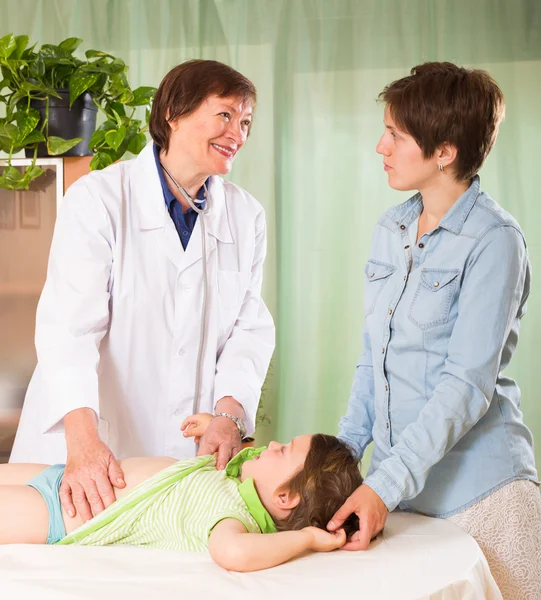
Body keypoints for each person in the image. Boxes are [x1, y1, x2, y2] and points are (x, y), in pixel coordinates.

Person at [10, 60, 275, 525]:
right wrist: (84, 443)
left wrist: (229, 415)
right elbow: (69, 332)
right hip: (86, 447)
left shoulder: (245, 216)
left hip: (175, 457)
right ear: (173, 110)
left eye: (246, 121)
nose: (238, 132)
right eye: (225, 115)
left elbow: (249, 327)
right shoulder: (99, 200)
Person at [329, 62, 541, 598]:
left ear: (444, 151)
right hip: (404, 500)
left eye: (396, 135)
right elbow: (370, 360)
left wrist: (383, 484)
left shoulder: (496, 241)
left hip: (483, 494)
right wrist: (338, 462)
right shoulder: (390, 229)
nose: (381, 145)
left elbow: (466, 386)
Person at [0, 422, 362, 573]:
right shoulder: (243, 475)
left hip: (66, 512)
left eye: (284, 452)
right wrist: (215, 423)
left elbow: (233, 553)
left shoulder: (233, 515)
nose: (275, 445)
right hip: (69, 474)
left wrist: (307, 537)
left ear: (285, 497)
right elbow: (242, 448)